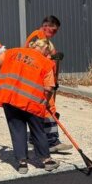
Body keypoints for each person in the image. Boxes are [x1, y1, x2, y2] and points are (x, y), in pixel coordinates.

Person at [0, 38, 60, 175]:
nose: (49, 56)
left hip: (10, 99)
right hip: (32, 102)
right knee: (38, 130)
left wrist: (3, 54)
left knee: (17, 130)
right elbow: (48, 88)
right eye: (49, 53)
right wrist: (45, 103)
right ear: (45, 49)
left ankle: (22, 163)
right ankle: (46, 160)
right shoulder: (46, 63)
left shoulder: (13, 52)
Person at [22, 15, 71, 153]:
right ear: (46, 26)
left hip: (44, 78)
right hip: (40, 79)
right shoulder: (38, 38)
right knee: (49, 108)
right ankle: (52, 141)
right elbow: (35, 57)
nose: (54, 34)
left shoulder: (43, 38)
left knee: (40, 109)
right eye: (53, 30)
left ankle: (34, 138)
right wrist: (51, 58)